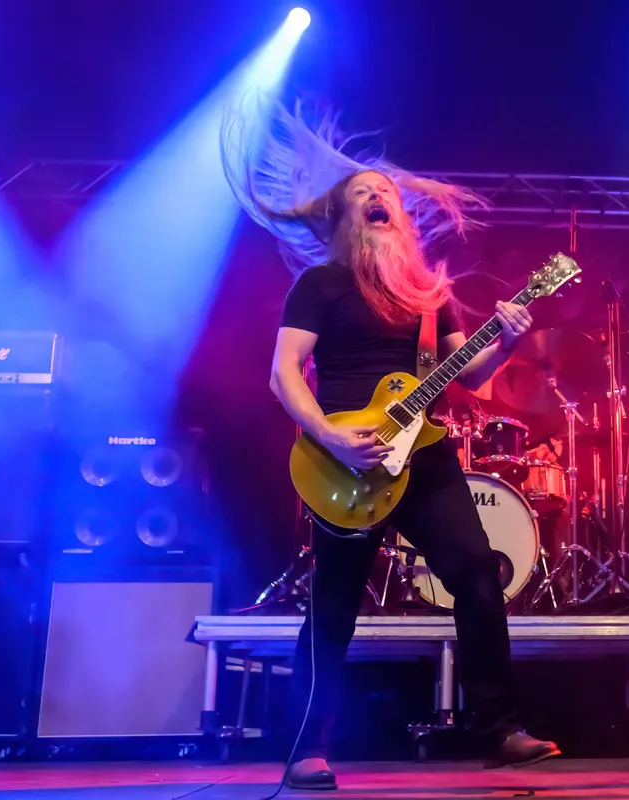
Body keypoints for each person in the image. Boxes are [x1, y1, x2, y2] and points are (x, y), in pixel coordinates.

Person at [222, 101, 560, 790]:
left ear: (400, 217)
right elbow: (284, 373)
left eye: (385, 192)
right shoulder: (320, 285)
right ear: (344, 218)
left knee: (477, 571)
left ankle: (498, 728)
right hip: (343, 454)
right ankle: (307, 747)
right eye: (362, 193)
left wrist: (507, 342)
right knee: (335, 602)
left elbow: (471, 377)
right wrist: (329, 434)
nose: (377, 196)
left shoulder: (430, 295)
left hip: (424, 456)